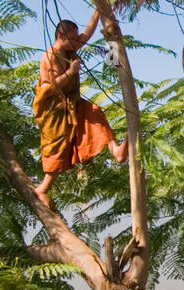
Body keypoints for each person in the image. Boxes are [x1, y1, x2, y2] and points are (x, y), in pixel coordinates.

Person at [32, 13, 128, 205]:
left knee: (95, 112)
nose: (77, 42)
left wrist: (97, 9)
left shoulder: (69, 49)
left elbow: (87, 32)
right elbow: (52, 86)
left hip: (73, 102)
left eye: (76, 38)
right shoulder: (49, 57)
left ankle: (116, 150)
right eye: (73, 38)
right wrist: (71, 71)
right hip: (54, 110)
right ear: (61, 36)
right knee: (59, 149)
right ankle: (42, 189)